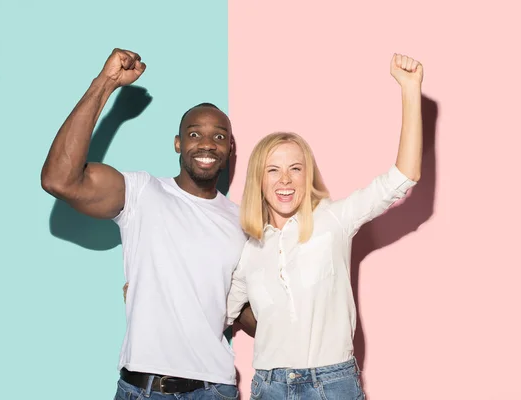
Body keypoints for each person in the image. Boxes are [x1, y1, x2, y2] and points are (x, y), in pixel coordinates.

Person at [41, 48, 255, 400]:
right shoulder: (142, 191)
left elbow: (246, 313)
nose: (206, 144)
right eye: (194, 133)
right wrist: (106, 83)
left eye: (219, 137)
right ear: (177, 142)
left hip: (213, 388)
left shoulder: (242, 221)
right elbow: (59, 180)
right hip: (142, 388)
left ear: (229, 149)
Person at [226, 53, 424, 399]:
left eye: (295, 168)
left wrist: (410, 89)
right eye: (273, 169)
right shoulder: (251, 250)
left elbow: (403, 177)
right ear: (258, 179)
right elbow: (216, 311)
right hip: (269, 386)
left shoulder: (333, 219)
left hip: (331, 385)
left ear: (308, 175)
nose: (285, 180)